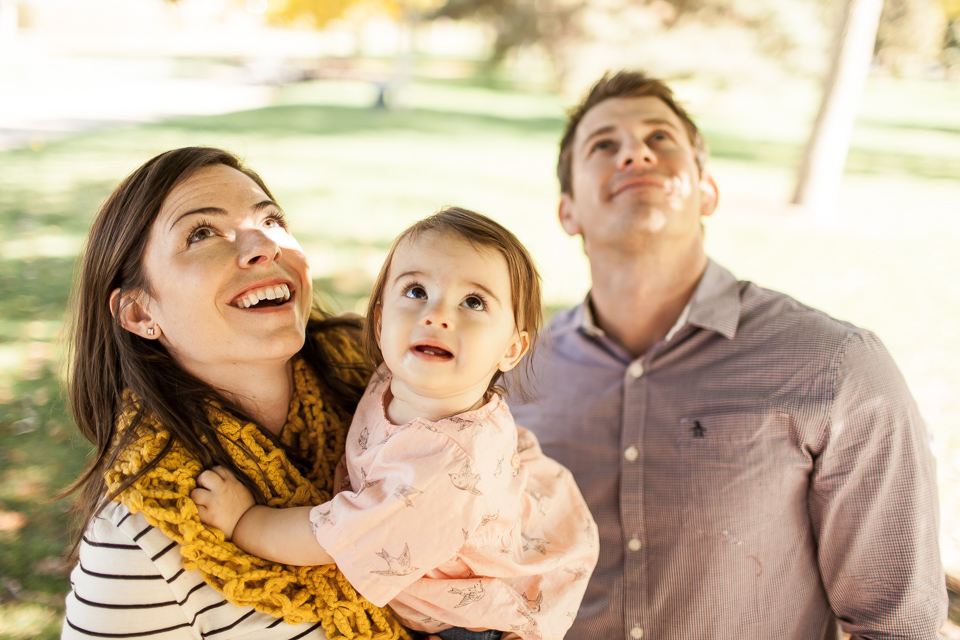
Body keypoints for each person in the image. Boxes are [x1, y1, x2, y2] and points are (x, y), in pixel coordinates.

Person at [505, 70, 948, 639]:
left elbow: (900, 625)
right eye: (604, 145)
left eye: (660, 138)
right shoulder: (514, 377)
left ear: (706, 191)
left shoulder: (837, 367)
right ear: (568, 212)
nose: (635, 152)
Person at [191, 207, 599, 640]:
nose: (438, 314)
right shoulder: (395, 376)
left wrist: (244, 520)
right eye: (417, 290)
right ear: (381, 320)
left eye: (473, 302)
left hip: (465, 626)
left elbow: (330, 539)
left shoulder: (442, 470)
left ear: (511, 350)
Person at [60, 147, 410, 639]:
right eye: (202, 233)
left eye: (271, 220)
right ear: (140, 314)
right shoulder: (140, 541)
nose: (263, 246)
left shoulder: (395, 387)